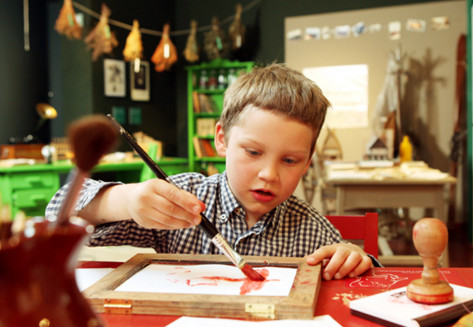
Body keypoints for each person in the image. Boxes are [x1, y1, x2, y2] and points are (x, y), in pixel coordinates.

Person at [46, 63, 379, 279]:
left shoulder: (313, 229)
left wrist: (353, 258)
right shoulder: (182, 199)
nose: (269, 174)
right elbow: (56, 213)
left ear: (308, 163)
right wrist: (126, 200)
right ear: (222, 139)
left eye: (290, 161)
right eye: (253, 152)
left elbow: (361, 278)